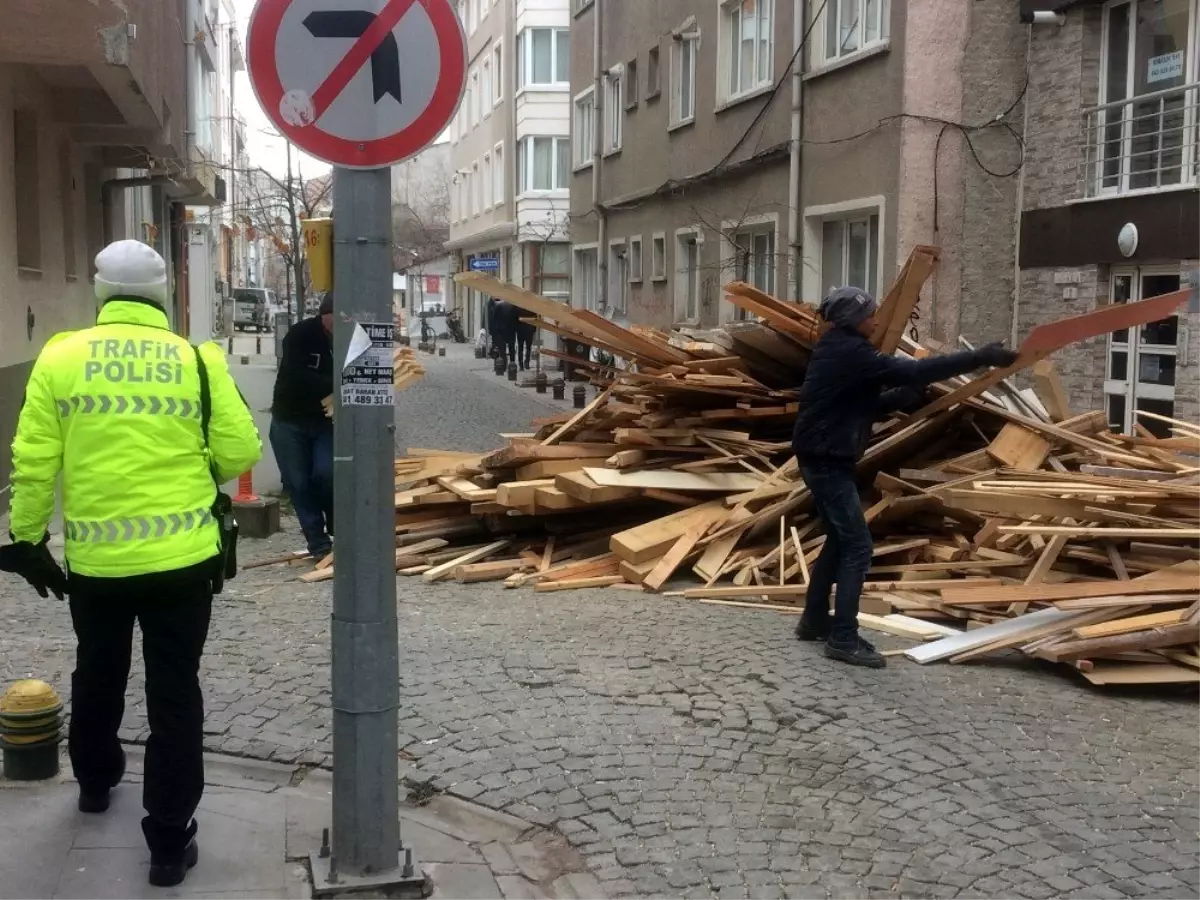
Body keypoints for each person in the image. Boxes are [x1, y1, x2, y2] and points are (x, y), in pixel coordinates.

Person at [0, 240, 261, 887]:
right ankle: (170, 841)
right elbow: (237, 450)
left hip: (98, 566)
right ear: (162, 293)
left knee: (98, 669)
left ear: (100, 293)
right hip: (182, 564)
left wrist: (26, 539)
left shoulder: (60, 358)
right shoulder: (195, 361)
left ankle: (94, 781)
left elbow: (33, 464)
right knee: (175, 695)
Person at [791, 286, 1018, 669]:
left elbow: (861, 402)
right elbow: (913, 369)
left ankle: (814, 620)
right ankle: (843, 638)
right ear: (853, 319)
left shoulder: (837, 349)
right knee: (858, 546)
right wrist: (979, 357)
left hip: (824, 456)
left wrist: (904, 397)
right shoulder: (851, 351)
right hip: (827, 460)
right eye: (870, 314)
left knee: (840, 538)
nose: (876, 319)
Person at [270, 293, 335, 558]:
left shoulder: (354, 339)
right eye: (335, 316)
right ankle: (318, 543)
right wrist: (338, 383)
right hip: (290, 419)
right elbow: (297, 376)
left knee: (328, 472)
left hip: (326, 421)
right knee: (298, 482)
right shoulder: (300, 335)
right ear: (324, 315)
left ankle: (336, 524)